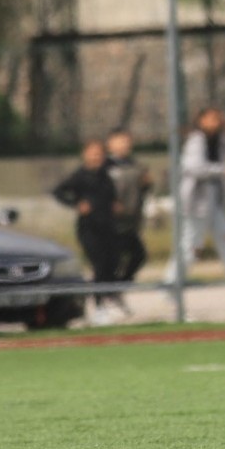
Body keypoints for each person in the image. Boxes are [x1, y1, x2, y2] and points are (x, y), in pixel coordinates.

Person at [171, 106, 225, 296]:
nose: (215, 122)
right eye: (211, 119)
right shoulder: (195, 140)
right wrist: (223, 170)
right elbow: (194, 168)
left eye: (218, 118)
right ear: (201, 120)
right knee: (190, 247)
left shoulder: (222, 139)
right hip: (197, 203)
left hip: (216, 201)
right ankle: (172, 287)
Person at [53, 140, 123, 325]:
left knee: (112, 262)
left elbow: (111, 192)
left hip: (108, 225)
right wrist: (76, 204)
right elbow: (58, 192)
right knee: (98, 264)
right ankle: (98, 306)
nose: (96, 157)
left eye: (99, 153)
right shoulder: (80, 176)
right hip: (89, 228)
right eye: (92, 153)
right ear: (85, 154)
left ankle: (110, 299)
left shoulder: (106, 174)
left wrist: (115, 203)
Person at [105, 128, 151, 293]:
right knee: (112, 260)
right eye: (120, 140)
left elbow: (143, 190)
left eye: (127, 140)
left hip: (131, 220)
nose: (125, 144)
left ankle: (120, 288)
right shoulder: (105, 166)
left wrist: (146, 184)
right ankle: (106, 296)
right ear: (110, 143)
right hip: (111, 222)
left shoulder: (136, 166)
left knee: (138, 256)